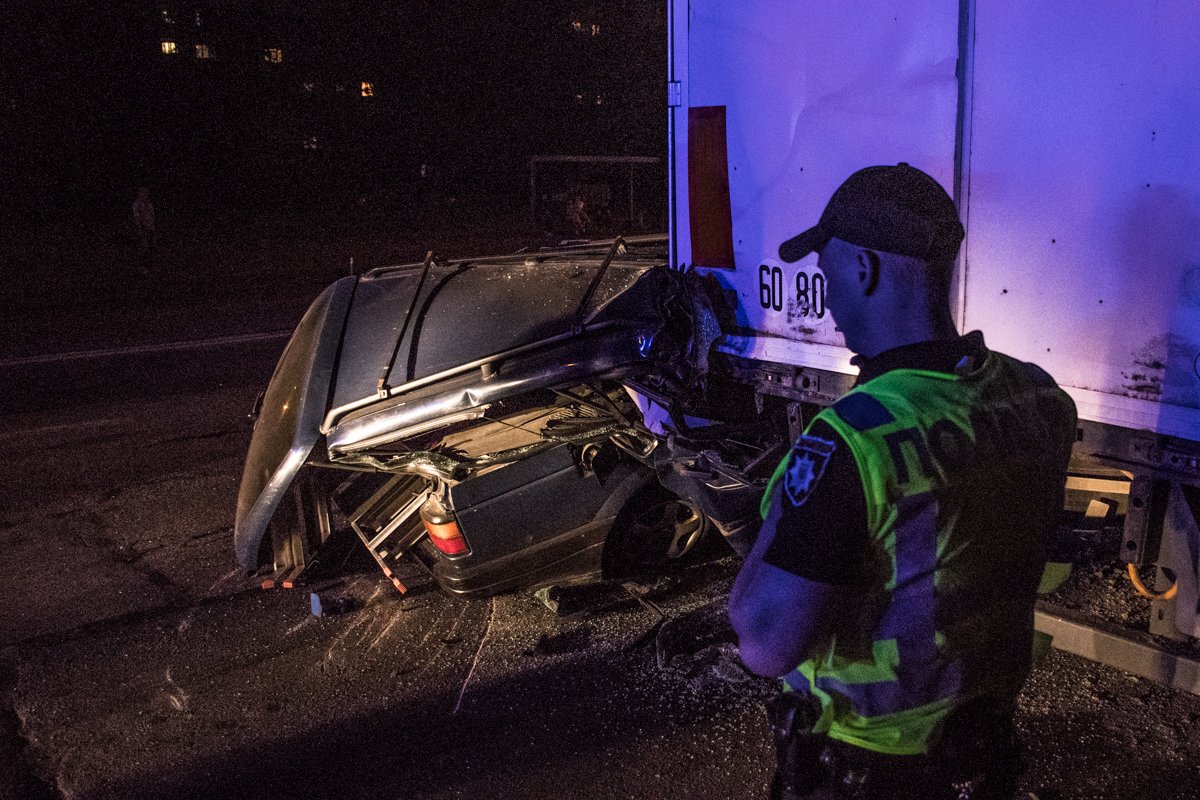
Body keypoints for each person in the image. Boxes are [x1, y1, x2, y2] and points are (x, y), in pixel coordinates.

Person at [728, 164, 1076, 799]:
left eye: (827, 275)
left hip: (868, 767)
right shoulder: (1039, 398)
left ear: (863, 268)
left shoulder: (852, 440)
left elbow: (765, 644)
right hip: (983, 752)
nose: (828, 302)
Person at [131, 186, 157, 278]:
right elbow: (136, 218)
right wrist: (140, 229)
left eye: (147, 193)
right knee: (143, 248)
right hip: (143, 229)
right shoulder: (136, 204)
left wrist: (153, 227)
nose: (146, 195)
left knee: (151, 248)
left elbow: (152, 216)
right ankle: (141, 267)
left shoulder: (149, 203)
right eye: (144, 192)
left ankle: (151, 267)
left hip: (150, 228)